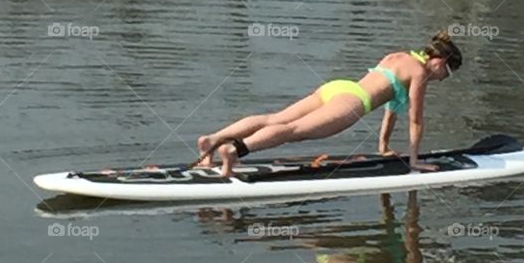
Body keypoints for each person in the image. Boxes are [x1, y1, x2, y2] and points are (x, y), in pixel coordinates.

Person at [196, 30, 463, 178]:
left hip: (338, 87)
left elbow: (392, 106)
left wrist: (383, 146)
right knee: (294, 131)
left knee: (274, 119)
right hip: (352, 102)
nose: (441, 79)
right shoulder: (419, 72)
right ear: (439, 61)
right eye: (446, 74)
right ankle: (235, 151)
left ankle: (213, 140)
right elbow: (416, 119)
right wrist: (414, 161)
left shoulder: (398, 56)